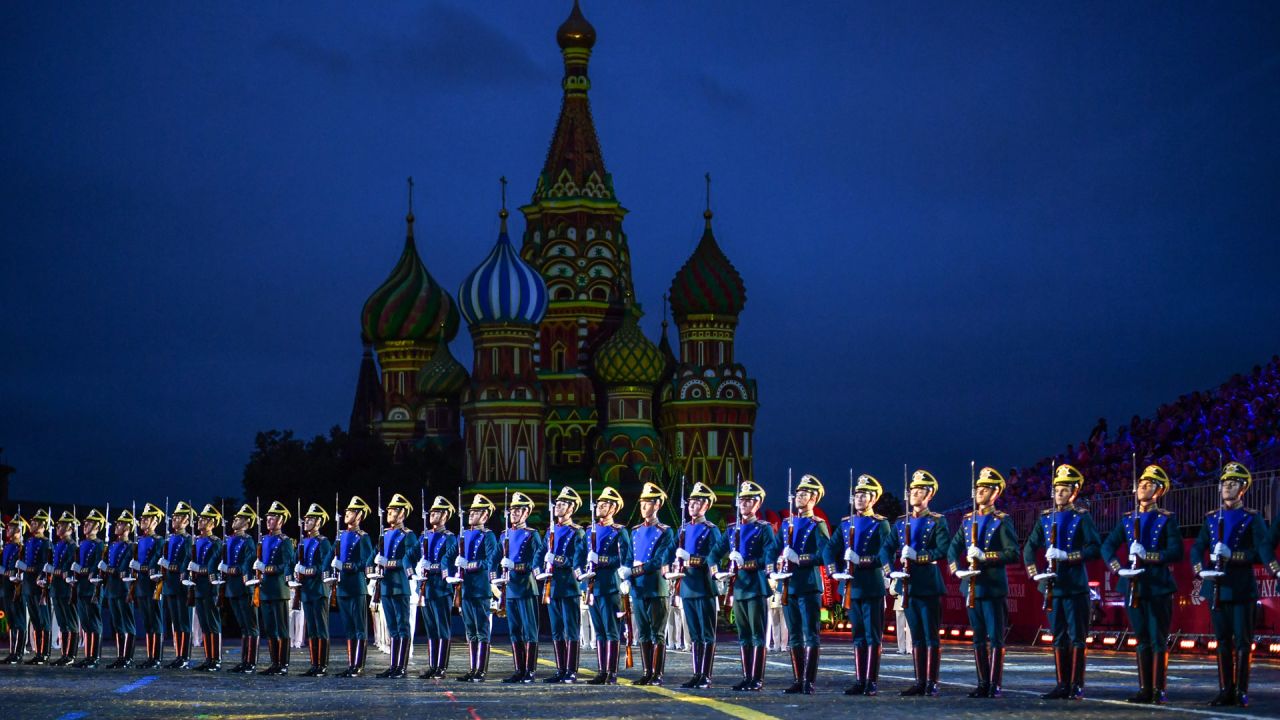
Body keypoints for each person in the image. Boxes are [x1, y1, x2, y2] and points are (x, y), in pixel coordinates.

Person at [1191, 462, 1274, 708]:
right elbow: (1197, 547)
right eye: (1224, 483)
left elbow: (1261, 551)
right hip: (1217, 586)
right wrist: (1199, 569)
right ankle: (1225, 689)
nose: (1227, 487)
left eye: (1233, 483)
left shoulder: (1252, 518)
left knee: (1242, 641)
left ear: (1243, 488)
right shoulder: (1211, 518)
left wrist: (1233, 555)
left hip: (1240, 587)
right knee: (1223, 640)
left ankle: (1241, 691)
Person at [1101, 464, 1182, 704]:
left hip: (1157, 584)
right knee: (1141, 637)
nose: (1142, 488)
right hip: (1133, 586)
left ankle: (1159, 689)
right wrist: (1119, 568)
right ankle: (1145, 688)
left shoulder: (1166, 520)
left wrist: (1150, 555)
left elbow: (1176, 551)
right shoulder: (1127, 520)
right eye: (1140, 484)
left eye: (1148, 485)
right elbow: (1107, 546)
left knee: (1158, 637)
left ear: (1159, 491)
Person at [1023, 464, 1101, 700]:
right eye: (1057, 488)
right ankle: (1061, 684)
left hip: (1075, 583)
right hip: (1053, 586)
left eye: (1065, 489)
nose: (1060, 493)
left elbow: (1095, 547)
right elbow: (1029, 547)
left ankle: (1076, 685)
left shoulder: (1081, 517)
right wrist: (1034, 572)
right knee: (1058, 635)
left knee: (1077, 635)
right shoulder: (1045, 518)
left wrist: (1068, 556)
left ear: (1074, 493)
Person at [947, 467, 1020, 699]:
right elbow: (953, 548)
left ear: (996, 492)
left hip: (991, 586)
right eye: (978, 487)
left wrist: (985, 557)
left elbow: (1013, 553)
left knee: (995, 637)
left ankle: (994, 684)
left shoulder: (1001, 521)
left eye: (985, 488)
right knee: (978, 637)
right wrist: (956, 569)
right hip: (971, 586)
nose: (980, 491)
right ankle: (982, 683)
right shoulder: (968, 520)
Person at [825, 474, 893, 696]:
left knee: (873, 635)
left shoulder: (880, 524)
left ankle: (871, 681)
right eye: (857, 494)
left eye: (864, 494)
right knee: (858, 635)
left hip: (871, 584)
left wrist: (861, 560)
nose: (859, 498)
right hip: (852, 587)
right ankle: (859, 679)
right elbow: (829, 549)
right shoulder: (846, 523)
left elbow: (885, 553)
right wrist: (834, 572)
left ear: (873, 499)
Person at [889, 470, 951, 697]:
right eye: (912, 491)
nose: (914, 494)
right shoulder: (900, 523)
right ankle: (919, 680)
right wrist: (891, 571)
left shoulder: (937, 521)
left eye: (920, 491)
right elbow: (886, 548)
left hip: (927, 584)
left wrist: (918, 555)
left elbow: (942, 549)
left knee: (930, 635)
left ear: (929, 494)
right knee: (916, 635)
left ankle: (931, 682)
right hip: (908, 585)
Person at [713, 480, 777, 692]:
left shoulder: (764, 528)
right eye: (741, 500)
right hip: (739, 587)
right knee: (744, 634)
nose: (743, 504)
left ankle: (756, 678)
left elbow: (769, 557)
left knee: (757, 634)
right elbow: (715, 552)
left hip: (756, 585)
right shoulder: (732, 529)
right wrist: (717, 572)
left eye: (748, 500)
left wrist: (746, 563)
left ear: (757, 504)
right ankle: (746, 676)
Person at [773, 473, 830, 695]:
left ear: (814, 498)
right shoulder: (788, 523)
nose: (799, 496)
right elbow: (772, 548)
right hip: (788, 585)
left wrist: (799, 558)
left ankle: (809, 680)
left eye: (805, 493)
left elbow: (824, 554)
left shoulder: (817, 524)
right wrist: (774, 563)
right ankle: (798, 678)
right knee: (794, 634)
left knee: (810, 633)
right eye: (798, 492)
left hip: (808, 584)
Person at [673, 481, 722, 689]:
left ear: (706, 506)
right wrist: (676, 562)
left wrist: (690, 558)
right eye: (691, 501)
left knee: (706, 633)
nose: (692, 505)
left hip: (704, 585)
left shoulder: (711, 530)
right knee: (694, 634)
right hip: (687, 586)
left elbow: (714, 557)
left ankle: (706, 675)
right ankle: (696, 673)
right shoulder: (682, 529)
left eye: (697, 502)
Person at [583, 486, 632, 685]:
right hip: (592, 587)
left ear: (613, 509)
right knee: (599, 631)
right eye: (598, 504)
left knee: (611, 631)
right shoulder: (589, 531)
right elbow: (581, 557)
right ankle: (601, 670)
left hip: (610, 586)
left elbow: (625, 558)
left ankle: (611, 672)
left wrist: (600, 559)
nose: (599, 507)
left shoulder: (619, 531)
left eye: (604, 505)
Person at [629, 481, 676, 686]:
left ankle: (657, 674)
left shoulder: (666, 531)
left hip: (656, 587)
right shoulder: (635, 531)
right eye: (641, 503)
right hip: (638, 588)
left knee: (657, 633)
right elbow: (629, 557)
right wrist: (627, 576)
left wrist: (635, 570)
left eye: (647, 503)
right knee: (643, 632)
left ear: (657, 505)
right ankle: (647, 672)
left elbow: (658, 560)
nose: (643, 507)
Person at [539, 486, 587, 683]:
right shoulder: (550, 531)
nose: (557, 506)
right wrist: (538, 570)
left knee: (571, 629)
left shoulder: (577, 532)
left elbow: (576, 560)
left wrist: (556, 559)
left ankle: (571, 670)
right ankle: (560, 669)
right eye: (557, 503)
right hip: (552, 587)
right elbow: (539, 554)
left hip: (569, 587)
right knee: (557, 629)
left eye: (562, 504)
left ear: (571, 508)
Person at [499, 491, 545, 683]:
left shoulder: (532, 535)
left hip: (526, 587)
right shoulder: (504, 534)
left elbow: (535, 563)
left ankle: (530, 671)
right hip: (510, 588)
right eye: (512, 510)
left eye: (518, 510)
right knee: (515, 630)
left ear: (526, 513)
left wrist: (515, 566)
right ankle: (519, 669)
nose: (514, 513)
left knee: (529, 630)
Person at [452, 493, 498, 682]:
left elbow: (490, 561)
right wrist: (449, 570)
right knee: (470, 630)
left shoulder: (488, 536)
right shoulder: (463, 534)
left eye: (476, 512)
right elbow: (449, 555)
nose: (471, 514)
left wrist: (469, 564)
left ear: (485, 516)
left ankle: (481, 670)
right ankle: (473, 669)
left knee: (482, 629)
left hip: (480, 589)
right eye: (471, 511)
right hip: (466, 590)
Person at [373, 493, 419, 679]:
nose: (389, 512)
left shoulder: (408, 535)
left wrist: (388, 562)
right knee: (392, 627)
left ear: (402, 514)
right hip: (386, 587)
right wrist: (372, 566)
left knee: (402, 626)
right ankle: (393, 665)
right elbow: (373, 557)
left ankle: (402, 666)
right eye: (389, 509)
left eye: (393, 510)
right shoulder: (385, 534)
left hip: (400, 585)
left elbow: (410, 559)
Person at [416, 495, 459, 679]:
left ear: (445, 516)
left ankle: (441, 666)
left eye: (436, 512)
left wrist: (431, 567)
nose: (432, 515)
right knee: (431, 629)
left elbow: (447, 560)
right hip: (426, 589)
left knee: (442, 628)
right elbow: (410, 556)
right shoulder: (424, 536)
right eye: (432, 512)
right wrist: (413, 570)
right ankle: (433, 665)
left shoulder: (449, 538)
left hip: (441, 588)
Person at [333, 496, 374, 677]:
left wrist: (346, 566)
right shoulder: (341, 536)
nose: (346, 514)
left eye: (350, 512)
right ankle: (351, 664)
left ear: (358, 515)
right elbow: (330, 558)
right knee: (348, 627)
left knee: (359, 627)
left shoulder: (362, 537)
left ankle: (359, 665)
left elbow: (365, 562)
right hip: (343, 587)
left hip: (357, 586)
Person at [256, 500, 296, 675]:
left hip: (279, 589)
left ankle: (283, 664)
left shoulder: (284, 541)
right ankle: (274, 663)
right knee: (270, 628)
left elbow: (287, 563)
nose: (268, 520)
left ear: (280, 520)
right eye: (268, 518)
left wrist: (268, 568)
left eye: (272, 518)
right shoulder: (264, 540)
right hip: (265, 589)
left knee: (281, 628)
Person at [296, 503, 335, 676]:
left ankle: (322, 665)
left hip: (319, 589)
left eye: (311, 519)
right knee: (311, 628)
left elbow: (324, 566)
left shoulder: (323, 542)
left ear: (318, 522)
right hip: (306, 590)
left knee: (321, 627)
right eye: (306, 519)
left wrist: (307, 570)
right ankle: (314, 664)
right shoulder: (303, 542)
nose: (306, 522)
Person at [222, 504, 259, 673]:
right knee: (242, 626)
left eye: (239, 519)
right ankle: (244, 661)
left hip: (245, 587)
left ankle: (250, 662)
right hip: (232, 587)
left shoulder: (248, 540)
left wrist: (237, 569)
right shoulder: (230, 540)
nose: (234, 520)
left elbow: (249, 559)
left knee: (250, 626)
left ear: (247, 523)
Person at [189, 504, 225, 671]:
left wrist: (198, 569)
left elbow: (214, 564)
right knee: (204, 623)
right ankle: (208, 658)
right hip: (198, 586)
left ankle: (215, 660)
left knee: (213, 622)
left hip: (210, 586)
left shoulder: (215, 542)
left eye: (204, 519)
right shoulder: (197, 541)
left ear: (212, 523)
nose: (200, 521)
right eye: (200, 518)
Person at [161, 501, 195, 670]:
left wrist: (175, 567)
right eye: (174, 517)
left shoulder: (188, 539)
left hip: (182, 585)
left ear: (186, 521)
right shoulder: (171, 539)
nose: (174, 520)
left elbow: (188, 558)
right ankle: (178, 655)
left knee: (184, 621)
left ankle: (185, 656)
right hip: (170, 584)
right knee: (175, 621)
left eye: (179, 517)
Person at [132, 503, 167, 669]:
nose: (142, 520)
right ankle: (150, 656)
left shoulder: (158, 541)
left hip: (154, 585)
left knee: (156, 620)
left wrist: (142, 567)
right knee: (147, 621)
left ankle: (156, 657)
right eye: (142, 518)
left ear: (155, 521)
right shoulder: (140, 541)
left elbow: (155, 561)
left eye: (146, 518)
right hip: (141, 585)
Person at [101, 510, 137, 669]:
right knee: (117, 624)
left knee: (127, 623)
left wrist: (107, 569)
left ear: (128, 528)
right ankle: (120, 656)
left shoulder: (130, 547)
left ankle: (128, 657)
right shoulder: (113, 545)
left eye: (121, 524)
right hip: (112, 588)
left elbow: (121, 570)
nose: (117, 526)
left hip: (124, 588)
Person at [72, 509, 107, 668]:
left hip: (93, 587)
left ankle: (95, 657)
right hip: (81, 587)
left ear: (97, 526)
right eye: (85, 523)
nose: (85, 525)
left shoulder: (99, 545)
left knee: (94, 622)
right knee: (85, 623)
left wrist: (83, 570)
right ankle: (88, 655)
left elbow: (97, 566)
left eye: (89, 523)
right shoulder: (82, 544)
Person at [20, 508, 54, 664]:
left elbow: (45, 564)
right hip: (28, 584)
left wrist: (29, 569)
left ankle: (44, 653)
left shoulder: (46, 542)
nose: (32, 524)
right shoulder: (28, 542)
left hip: (39, 586)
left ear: (43, 526)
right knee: (35, 620)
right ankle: (38, 652)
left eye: (35, 522)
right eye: (32, 522)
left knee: (43, 620)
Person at [49, 510, 81, 666]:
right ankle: (64, 654)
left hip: (67, 588)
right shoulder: (58, 545)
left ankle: (71, 655)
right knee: (62, 622)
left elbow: (71, 566)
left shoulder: (72, 546)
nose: (58, 528)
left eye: (62, 525)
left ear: (70, 529)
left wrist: (62, 572)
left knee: (71, 622)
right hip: (56, 587)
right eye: (58, 525)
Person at [2, 514, 30, 665]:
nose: (8, 529)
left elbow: (26, 568)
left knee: (19, 621)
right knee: (11, 621)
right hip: (7, 587)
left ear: (20, 531)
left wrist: (19, 574)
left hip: (17, 587)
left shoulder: (22, 548)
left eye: (13, 527)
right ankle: (12, 652)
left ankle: (18, 653)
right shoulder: (7, 547)